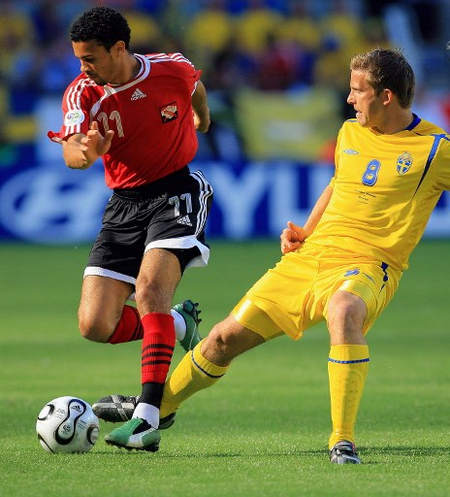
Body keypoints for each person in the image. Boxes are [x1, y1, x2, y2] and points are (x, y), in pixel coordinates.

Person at [94, 48, 450, 461]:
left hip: (369, 265)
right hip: (309, 259)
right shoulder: (352, 132)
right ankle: (155, 411)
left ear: (387, 96)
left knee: (344, 310)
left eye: (358, 91)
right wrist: (305, 229)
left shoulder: (435, 149)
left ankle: (342, 440)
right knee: (222, 339)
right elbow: (339, 184)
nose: (349, 99)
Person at [48, 6, 213, 452]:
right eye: (79, 58)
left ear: (119, 49)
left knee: (149, 291)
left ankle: (145, 418)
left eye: (90, 58)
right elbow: (72, 151)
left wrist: (201, 116)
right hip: (123, 206)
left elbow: (194, 85)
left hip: (176, 191)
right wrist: (84, 151)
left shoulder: (170, 69)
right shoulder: (83, 94)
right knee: (95, 324)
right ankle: (177, 324)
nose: (83, 67)